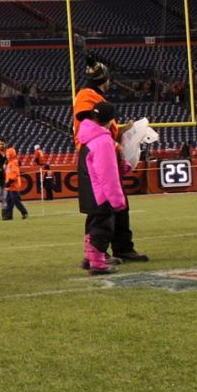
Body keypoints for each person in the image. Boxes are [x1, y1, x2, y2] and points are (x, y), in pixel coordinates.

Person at [73, 57, 148, 262]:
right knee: (101, 206)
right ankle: (98, 252)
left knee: (116, 204)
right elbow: (88, 122)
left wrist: (122, 132)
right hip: (95, 155)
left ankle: (119, 248)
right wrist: (111, 143)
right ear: (104, 79)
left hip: (99, 152)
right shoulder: (87, 95)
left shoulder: (92, 95)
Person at [77, 102, 130, 275]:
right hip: (100, 192)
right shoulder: (103, 140)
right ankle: (97, 263)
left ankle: (90, 258)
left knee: (93, 224)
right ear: (111, 120)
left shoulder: (87, 136)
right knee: (103, 227)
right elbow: (107, 173)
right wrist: (117, 199)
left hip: (90, 191)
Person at [1, 148, 29, 220]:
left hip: (13, 185)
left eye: (8, 154)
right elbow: (9, 173)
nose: (7, 156)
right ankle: (9, 215)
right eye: (6, 154)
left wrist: (9, 182)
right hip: (10, 186)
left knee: (16, 201)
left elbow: (14, 174)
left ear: (11, 155)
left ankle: (24, 212)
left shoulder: (13, 163)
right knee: (9, 201)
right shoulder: (10, 163)